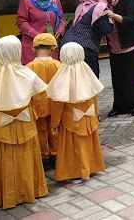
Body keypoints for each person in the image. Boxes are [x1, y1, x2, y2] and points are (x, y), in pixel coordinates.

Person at [0, 36, 48, 209]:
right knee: (27, 157)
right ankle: (32, 189)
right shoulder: (26, 73)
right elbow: (39, 96)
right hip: (25, 125)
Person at [47, 42, 105, 183]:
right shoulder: (87, 71)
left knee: (74, 148)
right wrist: (95, 115)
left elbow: (58, 102)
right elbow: (94, 96)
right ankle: (90, 167)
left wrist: (55, 122)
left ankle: (77, 172)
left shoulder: (63, 75)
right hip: (88, 117)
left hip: (70, 120)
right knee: (87, 145)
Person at [61, 0, 115, 78]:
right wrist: (113, 18)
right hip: (85, 49)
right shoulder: (100, 6)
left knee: (72, 80)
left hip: (66, 46)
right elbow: (105, 29)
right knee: (89, 83)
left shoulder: (82, 5)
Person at [26, 33, 61, 171]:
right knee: (55, 129)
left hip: (37, 105)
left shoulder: (29, 67)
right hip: (55, 104)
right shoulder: (58, 65)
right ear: (53, 49)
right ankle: (56, 155)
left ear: (33, 49)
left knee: (40, 131)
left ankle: (42, 157)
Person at [17, 0, 66, 64]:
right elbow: (22, 22)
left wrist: (59, 30)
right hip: (33, 45)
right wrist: (37, 36)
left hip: (50, 45)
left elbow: (61, 18)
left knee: (51, 73)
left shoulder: (55, 1)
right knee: (33, 74)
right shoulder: (26, 2)